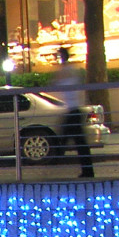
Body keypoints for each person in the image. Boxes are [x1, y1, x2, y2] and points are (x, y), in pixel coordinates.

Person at [51, 47, 95, 179]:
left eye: (58, 56)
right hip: (74, 110)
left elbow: (55, 83)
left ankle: (56, 162)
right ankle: (87, 170)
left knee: (70, 139)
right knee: (78, 141)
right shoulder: (70, 70)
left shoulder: (66, 70)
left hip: (73, 110)